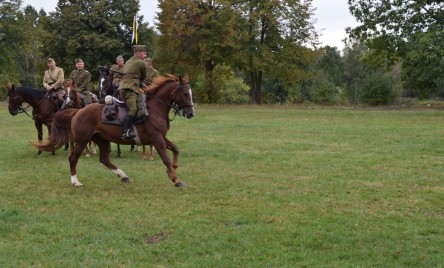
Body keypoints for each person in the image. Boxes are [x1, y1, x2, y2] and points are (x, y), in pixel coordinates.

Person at [118, 45, 147, 140]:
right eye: (144, 53)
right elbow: (143, 77)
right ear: (138, 53)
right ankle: (126, 131)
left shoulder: (128, 61)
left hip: (125, 87)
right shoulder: (141, 62)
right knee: (133, 110)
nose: (145, 55)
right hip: (130, 89)